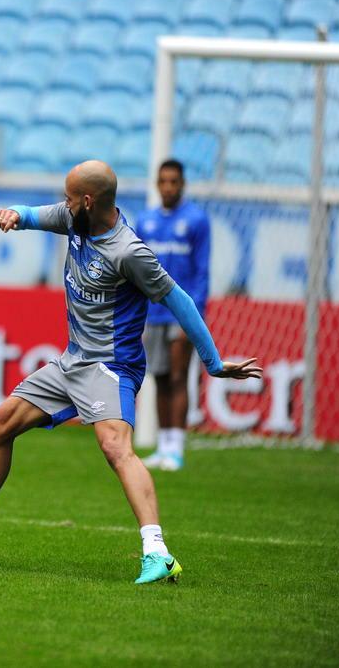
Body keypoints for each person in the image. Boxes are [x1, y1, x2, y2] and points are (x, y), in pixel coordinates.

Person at [0, 161, 261, 584]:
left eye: (69, 197)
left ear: (88, 201)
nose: (62, 205)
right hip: (72, 362)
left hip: (110, 365)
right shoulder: (72, 218)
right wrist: (13, 213)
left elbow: (180, 301)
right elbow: (29, 215)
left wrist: (213, 362)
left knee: (115, 447)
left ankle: (158, 553)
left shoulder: (129, 252)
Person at [137, 159, 210, 471]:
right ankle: (163, 446)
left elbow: (202, 272)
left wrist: (194, 318)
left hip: (181, 313)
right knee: (160, 378)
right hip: (152, 313)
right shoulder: (145, 221)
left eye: (174, 182)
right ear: (157, 184)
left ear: (182, 184)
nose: (168, 187)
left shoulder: (196, 220)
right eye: (163, 181)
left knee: (179, 377)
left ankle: (176, 449)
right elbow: (136, 273)